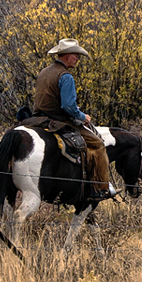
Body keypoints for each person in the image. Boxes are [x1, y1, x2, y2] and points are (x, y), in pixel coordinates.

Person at [32, 39, 114, 199]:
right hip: (58, 121)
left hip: (37, 120)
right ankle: (100, 188)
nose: (77, 59)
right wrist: (83, 117)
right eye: (76, 55)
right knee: (98, 145)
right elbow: (68, 106)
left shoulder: (44, 72)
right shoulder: (65, 76)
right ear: (67, 56)